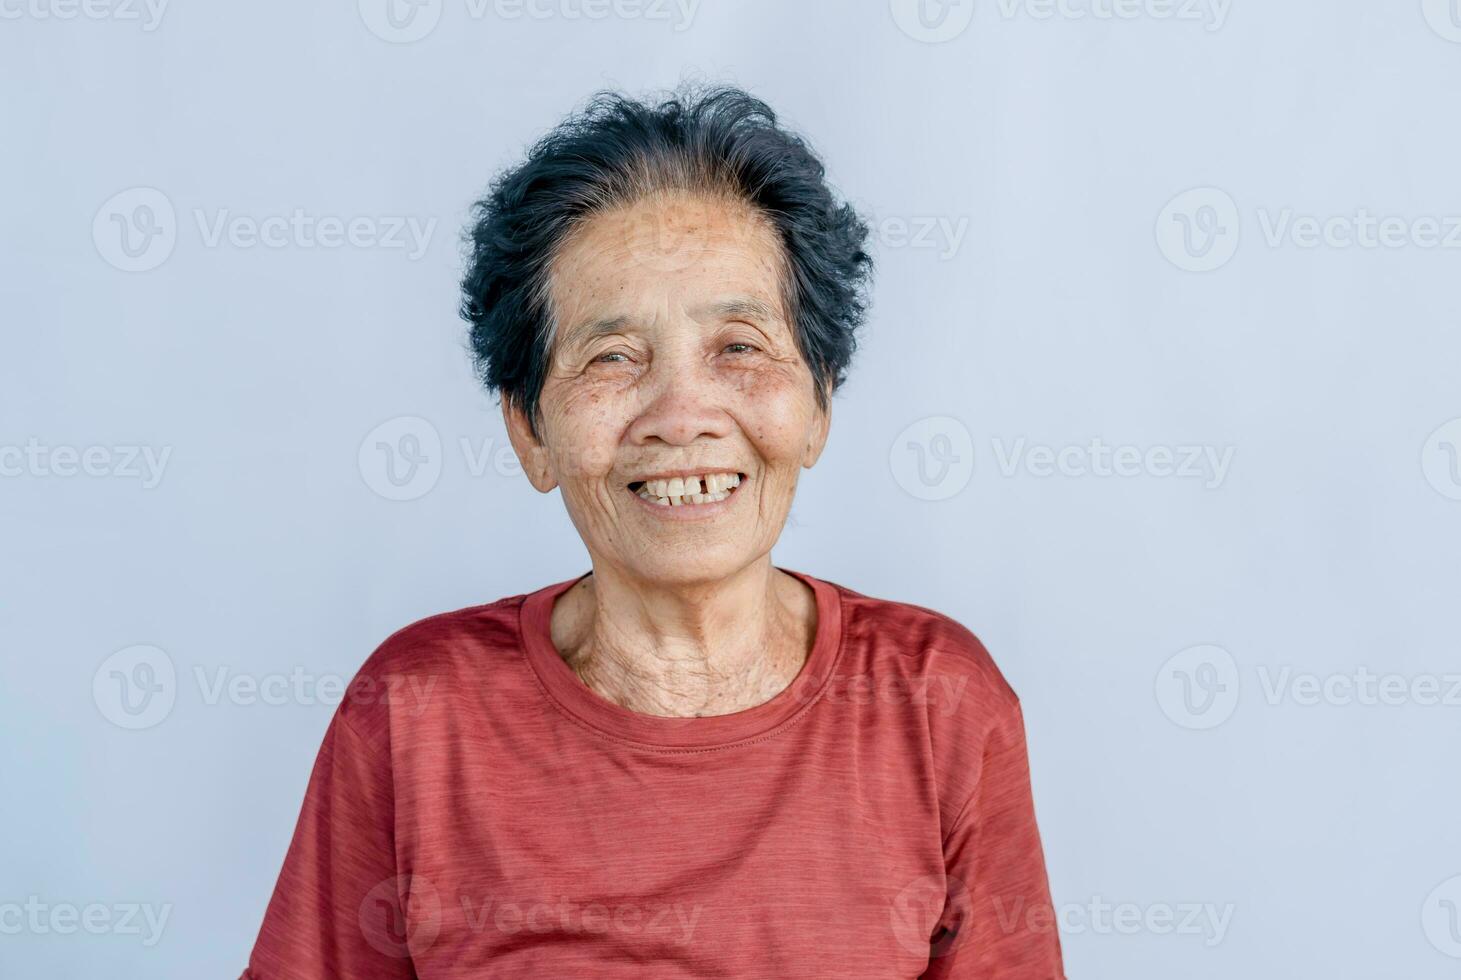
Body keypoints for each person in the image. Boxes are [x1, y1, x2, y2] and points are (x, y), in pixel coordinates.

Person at [241, 83, 1065, 979]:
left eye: (738, 347)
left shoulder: (937, 702)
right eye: (612, 358)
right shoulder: (414, 713)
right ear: (530, 430)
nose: (680, 416)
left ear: (820, 402)